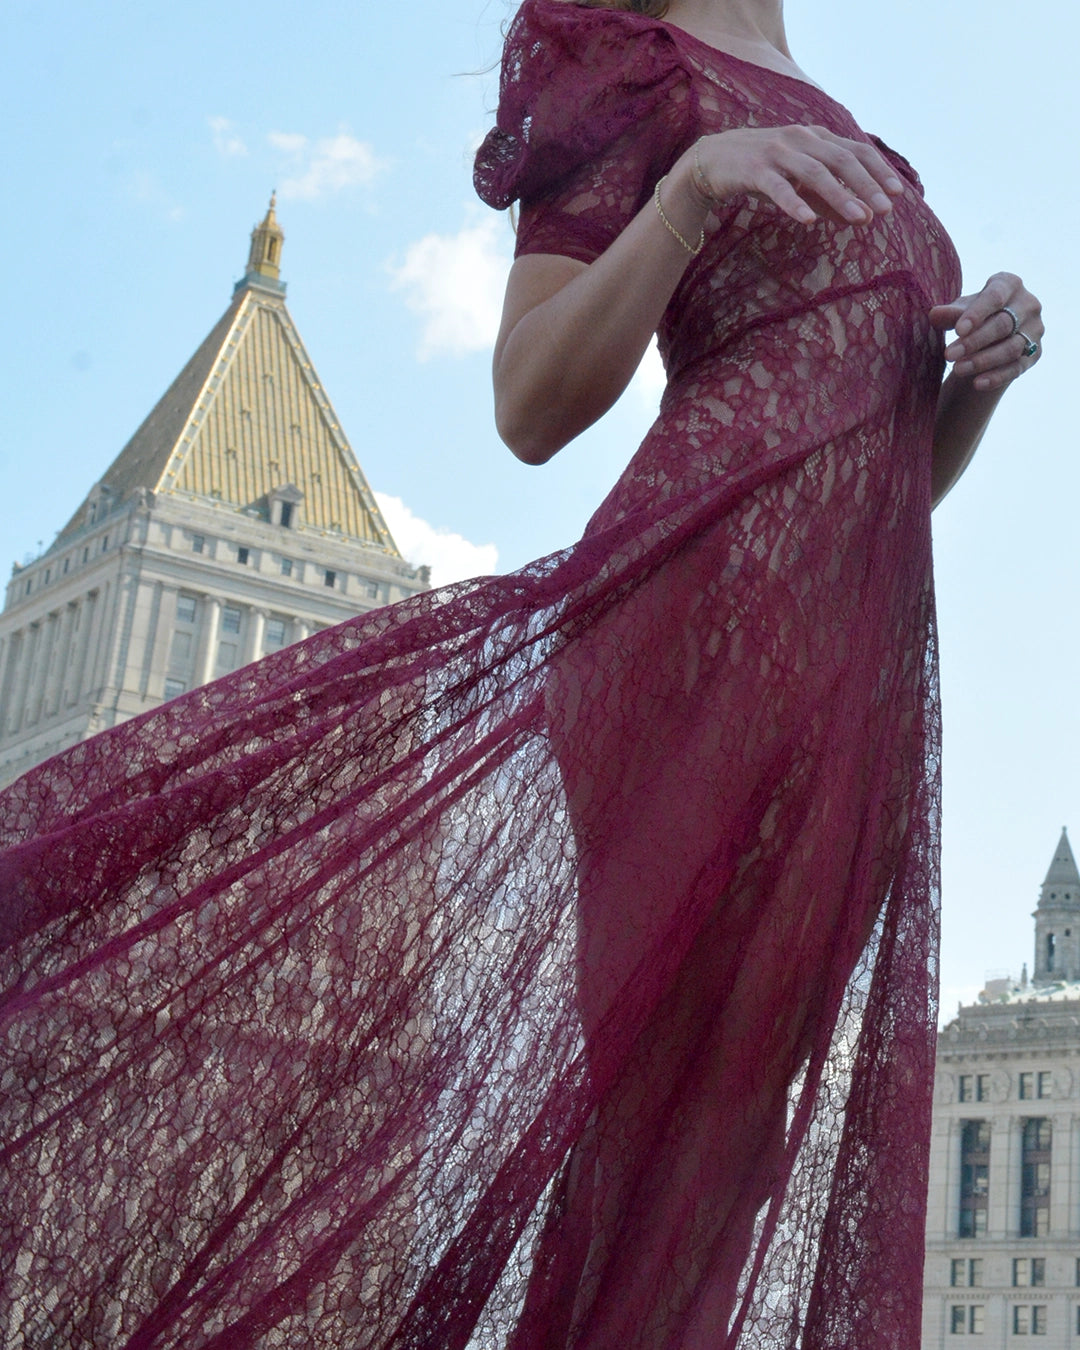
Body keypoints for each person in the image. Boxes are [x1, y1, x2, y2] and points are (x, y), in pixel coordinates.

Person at [0, 3, 1042, 1350]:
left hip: (852, 673)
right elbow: (531, 402)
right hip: (687, 643)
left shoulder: (853, 131)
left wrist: (973, 384)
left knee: (725, 1148)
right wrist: (685, 192)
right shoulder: (635, 72)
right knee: (662, 1125)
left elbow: (881, 478)